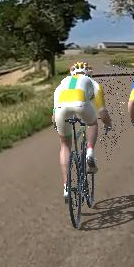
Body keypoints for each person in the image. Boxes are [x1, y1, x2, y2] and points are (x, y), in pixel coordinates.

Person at [51, 62, 112, 199]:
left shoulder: (62, 83)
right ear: (88, 73)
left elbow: (54, 116)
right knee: (92, 124)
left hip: (60, 110)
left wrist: (58, 127)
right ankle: (89, 152)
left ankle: (66, 187)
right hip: (81, 105)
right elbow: (102, 112)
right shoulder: (93, 82)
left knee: (65, 145)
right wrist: (108, 124)